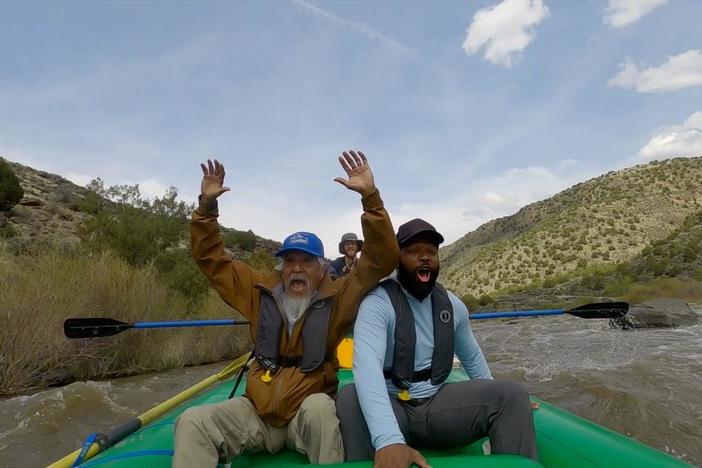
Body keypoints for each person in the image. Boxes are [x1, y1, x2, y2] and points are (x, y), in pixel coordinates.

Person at [173, 151, 399, 467]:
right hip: (256, 413)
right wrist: (207, 210)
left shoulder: (340, 295)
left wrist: (370, 200)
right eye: (289, 260)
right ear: (281, 266)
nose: (297, 269)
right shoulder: (259, 289)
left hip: (306, 416)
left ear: (322, 269)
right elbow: (212, 261)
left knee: (321, 409)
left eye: (306, 261)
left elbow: (381, 259)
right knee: (192, 421)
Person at [336, 218, 538, 468]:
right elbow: (367, 368)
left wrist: (505, 402)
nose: (424, 258)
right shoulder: (377, 304)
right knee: (350, 397)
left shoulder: (452, 306)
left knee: (513, 395)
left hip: (436, 407)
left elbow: (472, 357)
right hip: (393, 404)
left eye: (431, 252)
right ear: (397, 259)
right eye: (412, 252)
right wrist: (388, 439)